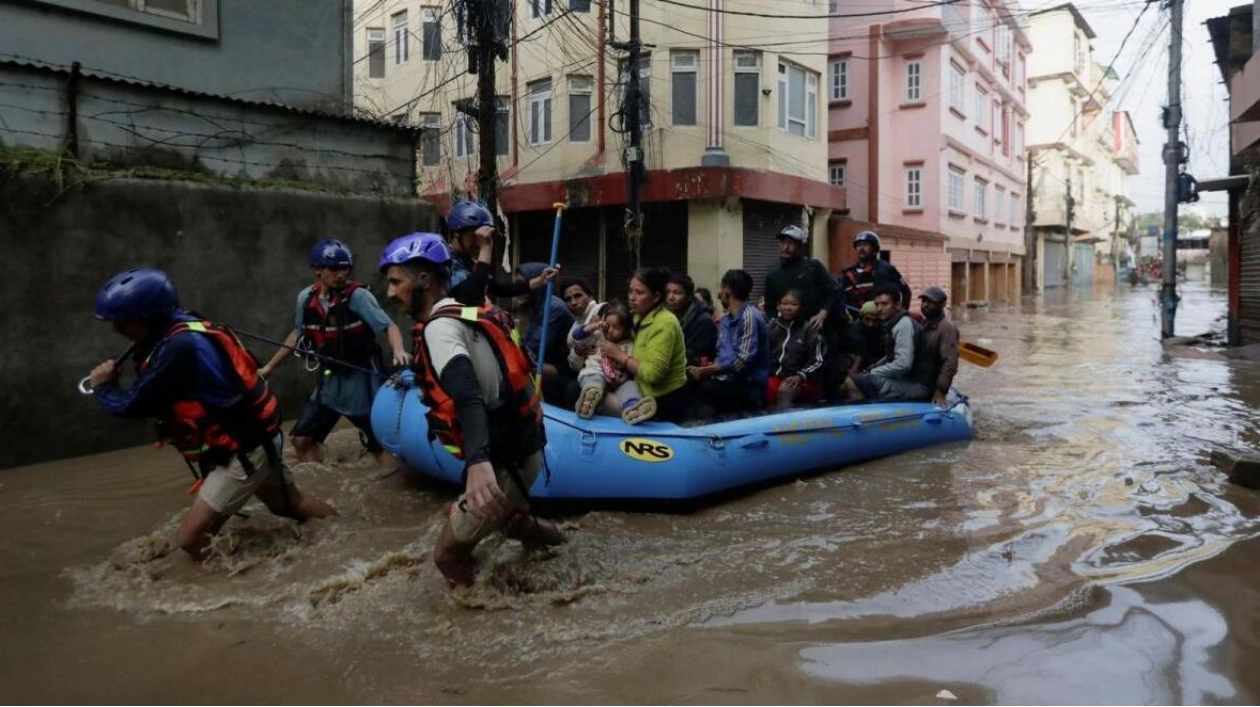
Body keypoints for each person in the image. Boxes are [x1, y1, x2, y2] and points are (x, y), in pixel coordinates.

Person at [88, 268, 336, 561]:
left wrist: (104, 387)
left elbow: (131, 405)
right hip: (255, 438)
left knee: (191, 540)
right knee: (289, 505)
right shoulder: (185, 328)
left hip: (243, 449)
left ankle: (252, 588)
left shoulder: (178, 348)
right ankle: (342, 533)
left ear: (148, 317)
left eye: (124, 323)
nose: (119, 330)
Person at [378, 233, 564, 588]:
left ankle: (499, 612)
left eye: (394, 281)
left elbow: (467, 393)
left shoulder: (440, 329)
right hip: (522, 447)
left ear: (424, 279)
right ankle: (562, 548)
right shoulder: (459, 306)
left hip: (503, 459)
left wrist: (478, 463)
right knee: (513, 522)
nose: (389, 292)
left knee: (446, 555)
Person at [259, 240, 408, 466]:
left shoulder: (358, 296)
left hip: (362, 382)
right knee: (301, 440)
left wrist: (398, 350)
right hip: (330, 383)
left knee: (380, 445)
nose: (341, 274)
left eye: (345, 268)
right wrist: (270, 367)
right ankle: (324, 479)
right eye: (334, 269)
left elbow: (389, 326)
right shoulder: (306, 299)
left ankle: (386, 482)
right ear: (317, 269)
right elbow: (297, 334)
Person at [596, 267, 691, 423]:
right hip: (637, 387)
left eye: (639, 293)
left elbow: (653, 375)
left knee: (599, 400)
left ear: (656, 297)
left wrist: (619, 356)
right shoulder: (635, 317)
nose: (632, 298)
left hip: (662, 400)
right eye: (630, 291)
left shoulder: (665, 323)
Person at [443, 200, 558, 306]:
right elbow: (472, 295)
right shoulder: (445, 261)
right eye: (475, 235)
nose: (480, 240)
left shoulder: (468, 261)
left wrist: (540, 280)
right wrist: (486, 248)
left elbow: (498, 289)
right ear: (457, 233)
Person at [689, 269, 769, 418]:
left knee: (706, 391)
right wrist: (707, 367)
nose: (719, 295)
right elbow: (722, 354)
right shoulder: (725, 320)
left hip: (748, 384)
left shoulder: (750, 316)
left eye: (721, 289)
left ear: (727, 291)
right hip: (726, 380)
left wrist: (712, 370)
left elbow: (743, 361)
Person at [844, 285, 934, 402]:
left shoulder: (903, 325)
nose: (880, 308)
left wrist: (874, 372)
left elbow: (903, 364)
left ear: (897, 305)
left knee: (850, 381)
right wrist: (873, 368)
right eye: (877, 305)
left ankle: (865, 415)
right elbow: (890, 356)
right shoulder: (893, 323)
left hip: (917, 386)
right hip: (908, 380)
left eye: (884, 304)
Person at [571, 303, 656, 423]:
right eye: (607, 326)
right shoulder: (597, 335)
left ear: (626, 330)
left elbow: (630, 365)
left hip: (616, 379)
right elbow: (576, 335)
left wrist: (624, 377)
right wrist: (593, 326)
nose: (609, 330)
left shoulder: (628, 344)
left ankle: (634, 408)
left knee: (630, 386)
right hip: (596, 371)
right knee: (595, 382)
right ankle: (589, 399)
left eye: (616, 327)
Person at [514, 262, 576, 403]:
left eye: (521, 284)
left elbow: (535, 344)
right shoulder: (534, 307)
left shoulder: (553, 308)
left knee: (522, 368)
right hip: (543, 361)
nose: (518, 289)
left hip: (564, 367)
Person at [763, 225, 840, 328]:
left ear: (800, 246)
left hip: (816, 327)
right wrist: (776, 325)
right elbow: (769, 305)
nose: (786, 247)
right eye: (783, 242)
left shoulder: (813, 266)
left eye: (791, 243)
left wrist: (822, 314)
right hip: (788, 331)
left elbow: (834, 292)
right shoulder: (773, 274)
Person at [765, 290, 826, 410]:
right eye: (785, 303)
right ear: (778, 305)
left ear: (801, 307)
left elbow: (819, 361)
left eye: (794, 304)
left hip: (803, 380)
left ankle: (784, 426)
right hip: (775, 377)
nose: (788, 308)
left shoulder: (809, 330)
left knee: (785, 390)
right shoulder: (771, 327)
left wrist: (800, 376)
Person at [838, 230, 913, 312]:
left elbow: (906, 292)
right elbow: (841, 297)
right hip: (858, 319)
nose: (861, 248)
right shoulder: (849, 272)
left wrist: (903, 314)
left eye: (866, 245)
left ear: (875, 249)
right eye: (859, 245)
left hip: (882, 318)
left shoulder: (886, 269)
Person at [918, 285, 960, 407]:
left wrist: (940, 391)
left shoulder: (947, 328)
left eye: (930, 302)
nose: (925, 305)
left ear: (942, 305)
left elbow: (950, 363)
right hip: (920, 378)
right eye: (923, 301)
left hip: (930, 385)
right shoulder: (924, 324)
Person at [664, 272, 717, 368]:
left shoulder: (703, 321)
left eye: (677, 293)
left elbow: (694, 356)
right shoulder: (665, 315)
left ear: (689, 297)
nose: (670, 298)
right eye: (668, 292)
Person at [848, 300, 884, 374]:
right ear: (862, 318)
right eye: (867, 319)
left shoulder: (884, 330)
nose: (870, 324)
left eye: (875, 320)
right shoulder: (856, 328)